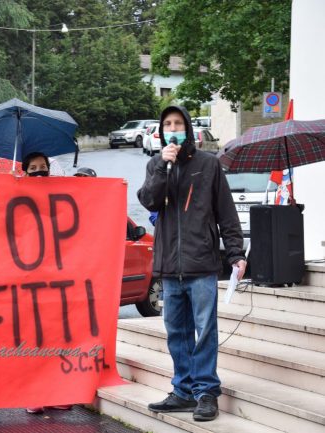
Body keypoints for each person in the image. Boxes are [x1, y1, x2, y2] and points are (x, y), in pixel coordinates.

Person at [137, 106, 246, 422]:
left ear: (187, 128)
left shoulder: (208, 165)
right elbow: (149, 200)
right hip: (169, 268)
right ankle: (183, 390)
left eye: (178, 123)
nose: (173, 128)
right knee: (176, 333)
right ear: (160, 131)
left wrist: (236, 253)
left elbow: (226, 213)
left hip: (201, 265)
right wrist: (162, 167)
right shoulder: (155, 164)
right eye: (167, 124)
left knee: (204, 330)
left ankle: (206, 392)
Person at [21, 152, 72, 414]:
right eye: (33, 168)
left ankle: (56, 391)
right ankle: (34, 394)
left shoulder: (59, 198)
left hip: (55, 279)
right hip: (26, 280)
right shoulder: (15, 199)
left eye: (43, 167)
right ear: (25, 171)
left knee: (55, 336)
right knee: (32, 338)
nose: (39, 171)